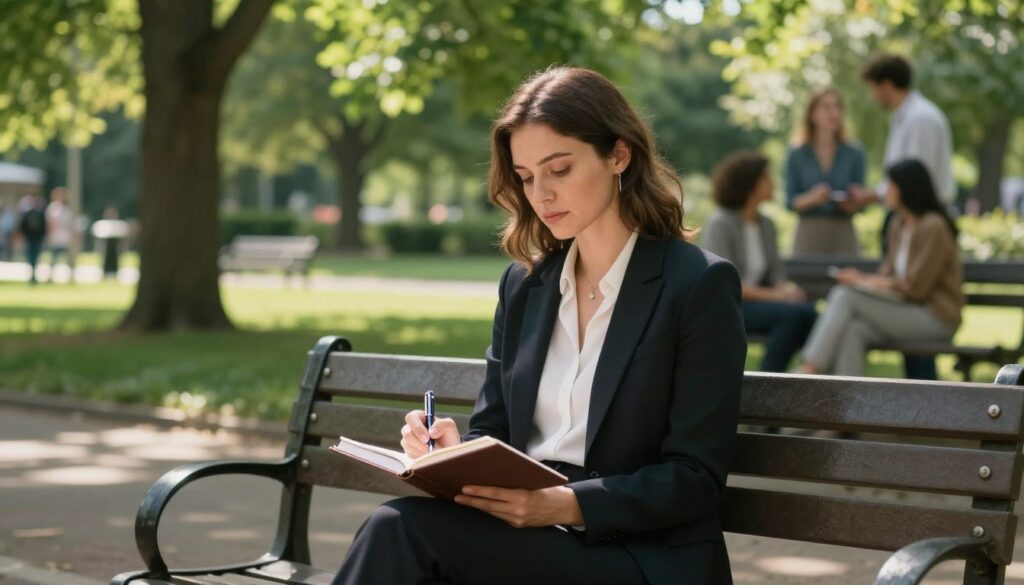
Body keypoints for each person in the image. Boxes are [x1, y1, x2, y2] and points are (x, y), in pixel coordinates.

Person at [333, 67, 746, 585]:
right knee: (399, 528)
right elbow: (496, 431)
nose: (541, 194)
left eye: (559, 169)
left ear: (619, 155)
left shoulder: (697, 285)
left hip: (642, 557)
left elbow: (695, 479)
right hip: (533, 542)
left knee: (402, 532)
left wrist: (564, 505)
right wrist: (454, 453)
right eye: (527, 177)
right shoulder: (526, 286)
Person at [799, 159, 963, 377]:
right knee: (854, 331)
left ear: (907, 188)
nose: (885, 191)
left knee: (845, 296)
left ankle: (809, 370)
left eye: (890, 185)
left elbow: (916, 288)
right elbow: (888, 276)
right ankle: (847, 404)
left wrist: (860, 281)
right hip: (905, 310)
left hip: (935, 318)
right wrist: (861, 280)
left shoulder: (933, 226)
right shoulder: (898, 224)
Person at [853, 53, 955, 380]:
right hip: (907, 218)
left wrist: (876, 195)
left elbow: (913, 176)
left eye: (873, 88)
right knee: (856, 323)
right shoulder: (906, 117)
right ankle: (841, 417)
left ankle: (923, 397)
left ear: (886, 85)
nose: (873, 96)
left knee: (905, 314)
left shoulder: (921, 119)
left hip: (923, 223)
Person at [702, 151, 817, 373]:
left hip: (758, 302)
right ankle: (771, 377)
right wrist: (777, 296)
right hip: (727, 306)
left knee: (809, 312)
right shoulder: (721, 223)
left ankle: (809, 378)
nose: (773, 183)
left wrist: (788, 290)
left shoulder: (766, 224)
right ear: (750, 184)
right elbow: (725, 283)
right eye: (767, 178)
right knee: (791, 316)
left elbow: (776, 274)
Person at [784, 88, 871, 255]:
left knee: (847, 279)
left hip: (843, 231)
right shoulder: (797, 154)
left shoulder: (854, 153)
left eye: (838, 107)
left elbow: (861, 200)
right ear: (812, 114)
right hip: (808, 232)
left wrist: (852, 203)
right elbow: (789, 202)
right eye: (827, 107)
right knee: (805, 279)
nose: (834, 113)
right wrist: (813, 198)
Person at [45, 187, 74, 280]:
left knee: (67, 258)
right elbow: (49, 223)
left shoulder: (67, 209)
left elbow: (70, 224)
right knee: (53, 257)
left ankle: (70, 276)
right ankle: (51, 276)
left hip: (65, 237)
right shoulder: (52, 208)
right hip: (55, 237)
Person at [18, 194, 47, 284]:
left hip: (33, 238)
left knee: (32, 256)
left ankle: (33, 274)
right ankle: (32, 274)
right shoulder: (34, 213)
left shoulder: (32, 213)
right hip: (32, 238)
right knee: (32, 256)